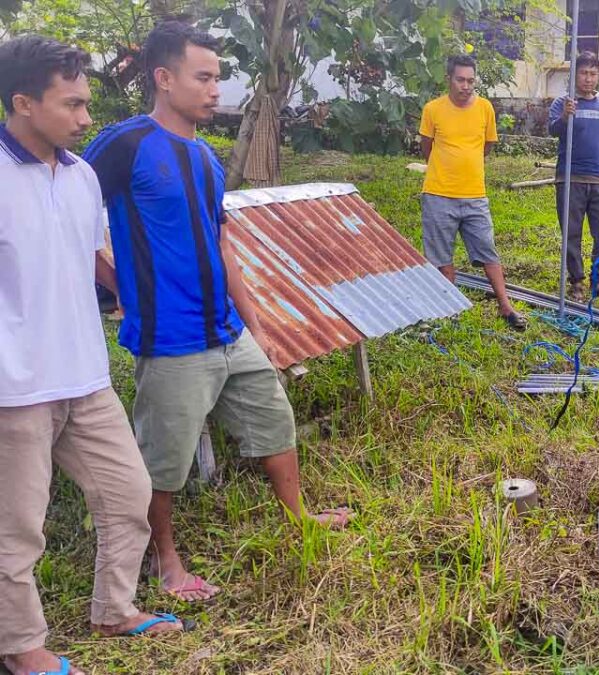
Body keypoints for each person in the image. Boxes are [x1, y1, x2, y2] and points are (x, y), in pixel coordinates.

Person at [84, 21, 350, 604]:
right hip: (171, 339)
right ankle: (166, 561)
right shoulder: (122, 144)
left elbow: (221, 243)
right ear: (164, 78)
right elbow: (68, 219)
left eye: (218, 78)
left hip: (227, 332)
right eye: (203, 78)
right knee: (165, 459)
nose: (215, 90)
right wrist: (117, 283)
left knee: (275, 421)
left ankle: (299, 516)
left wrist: (255, 325)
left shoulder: (205, 158)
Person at [0, 35, 189, 675]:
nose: (86, 119)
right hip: (13, 387)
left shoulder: (81, 175)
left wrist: (139, 298)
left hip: (84, 374)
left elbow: (90, 256)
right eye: (73, 104)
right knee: (18, 530)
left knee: (129, 493)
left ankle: (115, 609)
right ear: (23, 102)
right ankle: (23, 648)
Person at [419, 54, 527, 331]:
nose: (466, 86)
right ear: (449, 79)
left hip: (475, 195)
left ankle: (505, 305)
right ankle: (449, 308)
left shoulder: (485, 108)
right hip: (438, 194)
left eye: (470, 80)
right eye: (460, 80)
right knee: (441, 256)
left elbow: (487, 146)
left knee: (487, 251)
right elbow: (426, 147)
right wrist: (445, 170)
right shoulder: (433, 109)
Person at [548, 51, 599, 302]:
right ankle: (577, 281)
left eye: (593, 73)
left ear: (598, 75)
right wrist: (565, 116)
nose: (588, 79)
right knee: (572, 233)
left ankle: (598, 280)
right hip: (571, 178)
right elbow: (553, 131)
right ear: (574, 75)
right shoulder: (563, 104)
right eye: (583, 73)